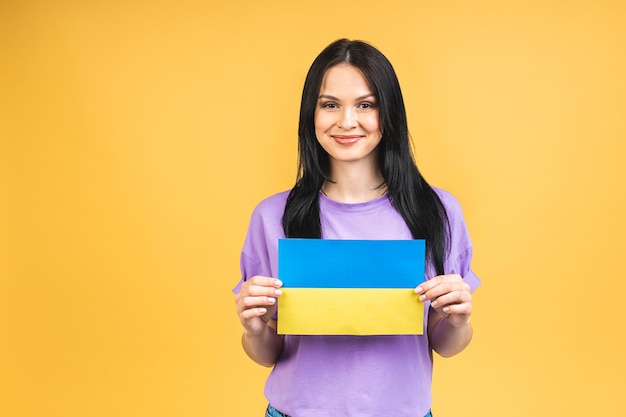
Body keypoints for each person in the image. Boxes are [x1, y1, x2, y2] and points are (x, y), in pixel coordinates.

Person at [233, 38, 480, 417]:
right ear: (310, 114)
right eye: (330, 104)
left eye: (366, 105)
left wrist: (459, 320)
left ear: (389, 114)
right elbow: (268, 354)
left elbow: (446, 344)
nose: (346, 121)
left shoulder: (438, 211)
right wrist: (253, 328)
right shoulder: (272, 217)